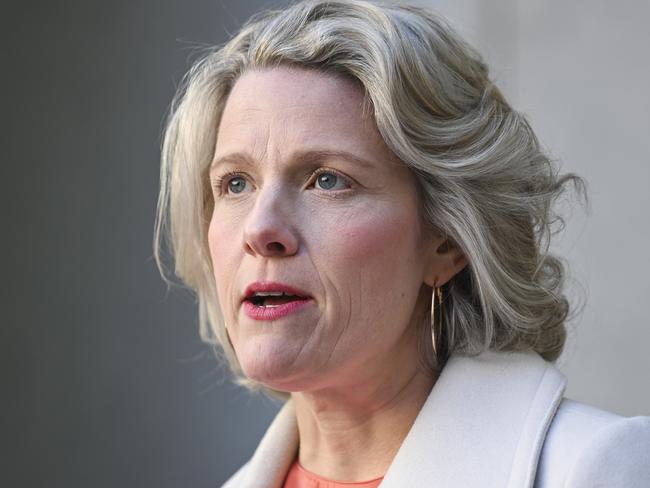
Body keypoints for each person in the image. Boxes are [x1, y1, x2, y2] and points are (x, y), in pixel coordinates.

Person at [154, 0, 650, 486]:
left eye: (327, 180)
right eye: (235, 183)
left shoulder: (593, 468)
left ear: (447, 240)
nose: (260, 230)